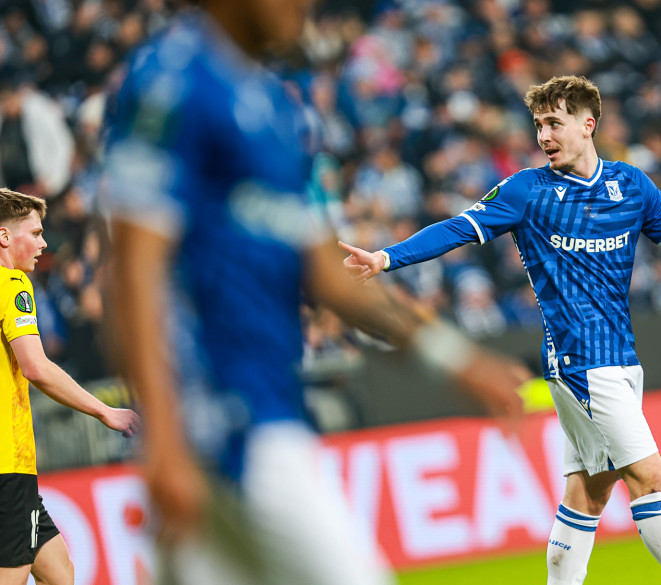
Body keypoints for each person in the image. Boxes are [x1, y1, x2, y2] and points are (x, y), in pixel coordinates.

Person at [102, 2, 526, 585]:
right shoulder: (171, 80)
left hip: (270, 405)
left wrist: (454, 359)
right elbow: (132, 272)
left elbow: (328, 274)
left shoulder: (278, 108)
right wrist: (165, 439)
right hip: (224, 420)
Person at [340, 75, 661, 585]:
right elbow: (457, 228)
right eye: (538, 125)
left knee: (589, 493)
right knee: (650, 479)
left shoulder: (632, 186)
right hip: (580, 360)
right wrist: (387, 257)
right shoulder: (527, 191)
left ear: (588, 125)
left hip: (621, 357)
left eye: (554, 123)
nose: (543, 136)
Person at [0, 188, 140, 585]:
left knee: (59, 571)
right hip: (8, 465)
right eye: (35, 233)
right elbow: (36, 367)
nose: (44, 243)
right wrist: (104, 411)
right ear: (4, 236)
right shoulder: (12, 284)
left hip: (14, 469)